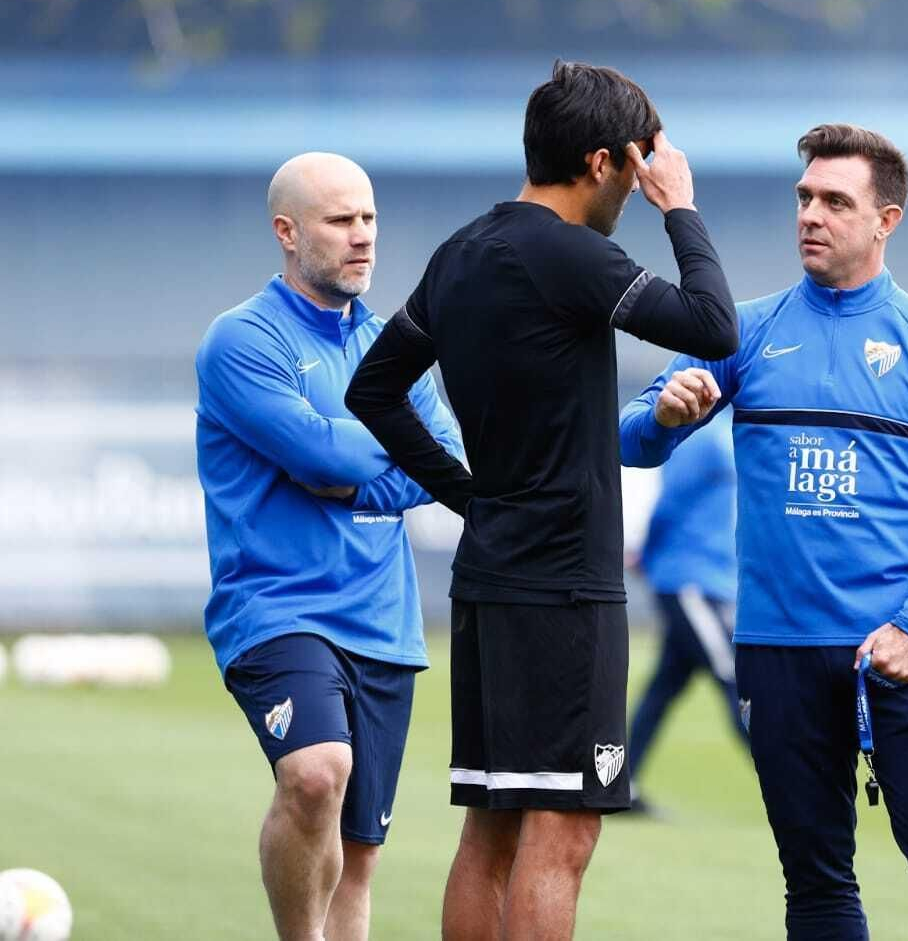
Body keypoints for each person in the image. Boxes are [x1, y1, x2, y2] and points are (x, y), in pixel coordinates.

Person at [343, 60, 737, 941]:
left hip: (489, 579)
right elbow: (714, 327)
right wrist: (681, 206)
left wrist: (468, 495)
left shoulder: (461, 252)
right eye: (635, 169)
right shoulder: (574, 255)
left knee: (491, 829)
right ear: (602, 162)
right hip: (565, 592)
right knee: (562, 832)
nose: (636, 188)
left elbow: (372, 389)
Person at [620, 123, 908, 940]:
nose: (810, 215)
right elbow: (630, 440)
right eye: (804, 197)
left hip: (899, 649)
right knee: (816, 881)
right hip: (778, 653)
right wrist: (664, 415)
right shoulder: (742, 331)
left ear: (886, 220)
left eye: (835, 201)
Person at [195, 151, 463, 941]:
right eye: (341, 220)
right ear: (288, 232)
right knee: (316, 772)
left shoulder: (392, 343)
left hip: (383, 619)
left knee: (359, 853)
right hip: (277, 608)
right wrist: (381, 450)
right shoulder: (242, 340)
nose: (362, 235)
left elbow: (445, 465)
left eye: (369, 217)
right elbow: (320, 454)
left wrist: (351, 478)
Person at [626, 409, 747, 813]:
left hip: (710, 581)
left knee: (663, 688)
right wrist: (647, 554)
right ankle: (793, 786)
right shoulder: (704, 436)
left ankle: (620, 783)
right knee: (737, 679)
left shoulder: (727, 429)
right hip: (691, 583)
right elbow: (670, 504)